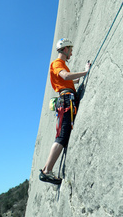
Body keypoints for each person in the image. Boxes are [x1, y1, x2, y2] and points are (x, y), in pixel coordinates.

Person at [39, 38, 91, 185]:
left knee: (62, 136)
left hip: (67, 98)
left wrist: (75, 81)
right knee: (61, 137)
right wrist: (85, 72)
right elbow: (65, 76)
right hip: (66, 100)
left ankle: (46, 169)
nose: (72, 53)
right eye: (71, 50)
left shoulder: (61, 65)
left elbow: (66, 80)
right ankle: (46, 171)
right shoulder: (57, 64)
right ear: (65, 49)